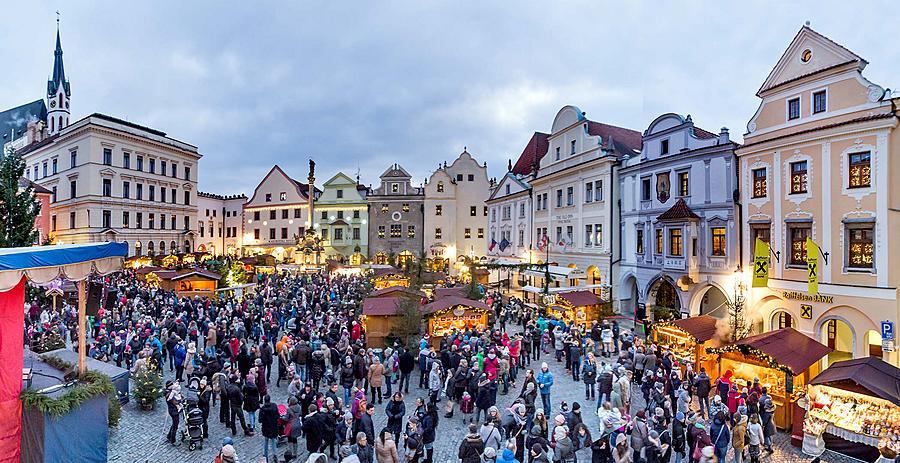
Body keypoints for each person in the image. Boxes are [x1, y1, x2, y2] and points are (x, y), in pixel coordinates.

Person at [259, 395, 280, 462]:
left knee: (266, 442)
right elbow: (278, 416)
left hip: (266, 428)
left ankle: (265, 455)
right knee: (273, 441)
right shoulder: (274, 406)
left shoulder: (262, 409)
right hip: (273, 427)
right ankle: (275, 455)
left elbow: (260, 420)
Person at [165, 380, 183, 445]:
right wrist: (180, 401)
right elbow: (175, 402)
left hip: (172, 410)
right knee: (175, 425)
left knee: (174, 424)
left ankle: (169, 436)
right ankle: (173, 440)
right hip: (173, 411)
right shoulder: (170, 394)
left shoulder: (168, 392)